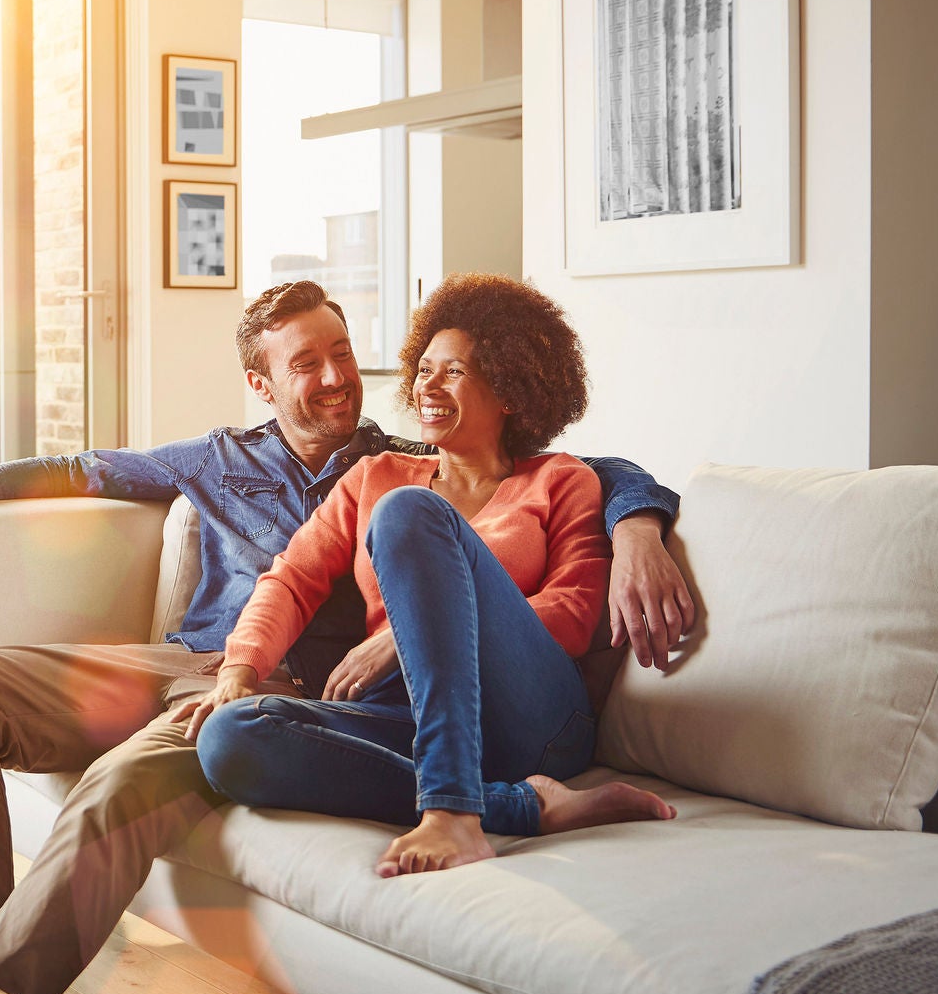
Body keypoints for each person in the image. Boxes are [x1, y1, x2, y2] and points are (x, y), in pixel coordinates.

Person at [0, 280, 692, 994]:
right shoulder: (281, 462)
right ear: (263, 383)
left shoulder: (428, 464)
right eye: (307, 362)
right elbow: (105, 476)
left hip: (313, 684)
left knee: (135, 775)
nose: (337, 376)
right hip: (203, 661)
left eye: (343, 352)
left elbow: (598, 473)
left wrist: (642, 520)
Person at [188, 274, 676, 879]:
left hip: (528, 716)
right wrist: (241, 669)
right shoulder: (376, 475)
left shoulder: (560, 480)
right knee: (231, 737)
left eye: (453, 371)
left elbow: (576, 616)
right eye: (422, 369)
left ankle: (451, 812)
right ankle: (521, 806)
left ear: (509, 391)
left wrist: (406, 636)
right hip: (409, 715)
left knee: (410, 513)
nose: (427, 386)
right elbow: (291, 578)